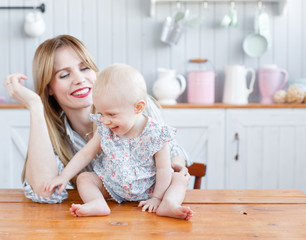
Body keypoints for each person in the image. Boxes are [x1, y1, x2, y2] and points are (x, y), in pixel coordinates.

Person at [2, 35, 192, 204]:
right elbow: (45, 194)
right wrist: (35, 106)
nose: (79, 79)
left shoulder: (134, 104)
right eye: (65, 75)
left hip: (148, 207)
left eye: (85, 68)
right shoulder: (53, 137)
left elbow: (174, 152)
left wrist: (175, 165)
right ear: (49, 88)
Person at [44, 63, 193, 220]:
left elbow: (163, 169)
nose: (105, 121)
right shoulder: (105, 128)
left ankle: (168, 203)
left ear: (138, 107)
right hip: (113, 186)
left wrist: (157, 197)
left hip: (152, 187)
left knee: (178, 178)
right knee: (85, 178)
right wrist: (64, 176)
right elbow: (86, 154)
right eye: (101, 113)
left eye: (111, 114)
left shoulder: (156, 133)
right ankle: (97, 203)